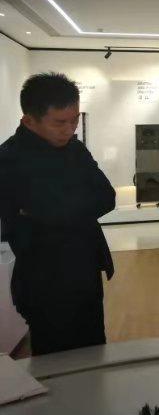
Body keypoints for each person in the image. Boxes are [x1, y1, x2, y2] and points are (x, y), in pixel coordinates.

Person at [0, 72, 115, 355]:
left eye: (74, 120)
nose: (70, 129)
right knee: (55, 362)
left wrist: (47, 210)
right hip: (43, 280)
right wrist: (75, 207)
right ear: (29, 120)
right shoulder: (8, 160)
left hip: (85, 272)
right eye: (59, 122)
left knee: (94, 352)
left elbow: (107, 197)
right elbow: (15, 223)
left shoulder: (76, 149)